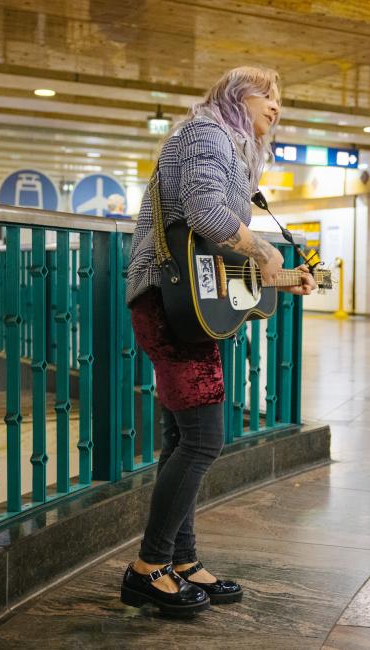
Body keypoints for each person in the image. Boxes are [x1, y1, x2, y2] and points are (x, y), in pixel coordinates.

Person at [122, 66, 316, 616]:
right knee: (204, 440)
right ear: (236, 95)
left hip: (182, 305)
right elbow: (207, 215)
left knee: (181, 439)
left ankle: (179, 560)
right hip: (168, 302)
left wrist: (276, 281)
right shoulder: (207, 134)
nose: (276, 106)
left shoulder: (226, 146)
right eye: (267, 94)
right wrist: (263, 251)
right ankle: (146, 566)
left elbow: (212, 254)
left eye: (282, 98)